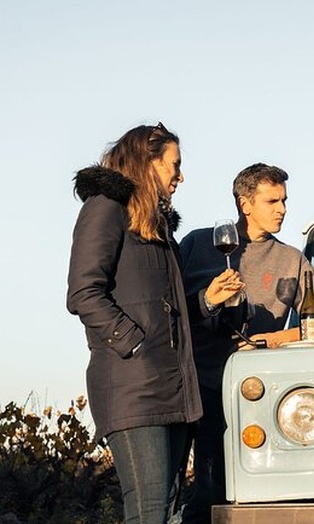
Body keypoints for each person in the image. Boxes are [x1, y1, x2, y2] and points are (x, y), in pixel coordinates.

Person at [67, 123, 243, 524]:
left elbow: (167, 310)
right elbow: (83, 292)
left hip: (174, 389)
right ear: (148, 163)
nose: (181, 176)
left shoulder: (157, 226)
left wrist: (207, 300)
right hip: (133, 387)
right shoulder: (104, 208)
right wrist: (135, 344)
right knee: (148, 511)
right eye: (174, 165)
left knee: (168, 511)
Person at [179, 163, 314, 524]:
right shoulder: (197, 245)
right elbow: (170, 309)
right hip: (197, 386)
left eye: (284, 200)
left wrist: (279, 338)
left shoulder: (291, 259)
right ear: (245, 204)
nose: (283, 209)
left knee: (248, 493)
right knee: (200, 492)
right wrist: (209, 300)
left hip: (257, 395)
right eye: (272, 201)